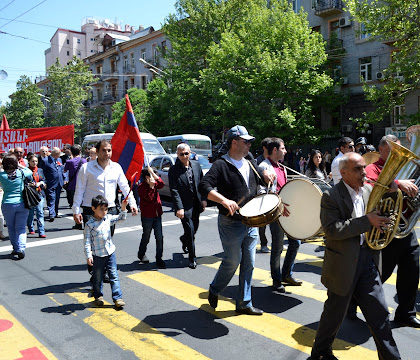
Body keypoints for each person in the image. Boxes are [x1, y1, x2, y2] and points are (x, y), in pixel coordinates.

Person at [311, 152, 401, 360]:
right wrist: (367, 221)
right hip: (342, 264)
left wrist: (391, 197)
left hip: (367, 260)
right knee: (334, 315)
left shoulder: (370, 190)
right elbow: (332, 230)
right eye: (357, 169)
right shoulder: (331, 196)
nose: (363, 172)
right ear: (343, 173)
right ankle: (320, 352)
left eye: (363, 167)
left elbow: (379, 215)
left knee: (379, 314)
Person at [199, 125, 274, 315]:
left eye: (250, 142)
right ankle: (215, 289)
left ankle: (244, 302)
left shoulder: (249, 160)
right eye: (246, 141)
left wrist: (265, 176)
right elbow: (204, 185)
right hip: (231, 222)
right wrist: (224, 200)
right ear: (234, 142)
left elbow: (259, 180)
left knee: (249, 263)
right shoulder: (221, 164)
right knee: (233, 261)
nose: (250, 145)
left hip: (251, 221)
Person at [364, 134, 420, 328]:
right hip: (385, 229)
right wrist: (397, 184)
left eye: (400, 150)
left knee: (412, 270)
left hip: (405, 228)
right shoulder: (371, 168)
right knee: (381, 274)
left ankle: (406, 313)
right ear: (381, 150)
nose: (399, 155)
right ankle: (352, 302)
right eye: (393, 151)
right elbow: (369, 187)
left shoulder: (404, 169)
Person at [258, 138, 302, 292]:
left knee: (295, 243)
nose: (285, 151)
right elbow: (264, 191)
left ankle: (286, 274)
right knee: (277, 247)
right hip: (276, 212)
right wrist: (279, 204)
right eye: (283, 148)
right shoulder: (265, 166)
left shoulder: (281, 166)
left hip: (287, 211)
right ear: (275, 150)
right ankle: (277, 279)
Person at [84, 195, 127, 308]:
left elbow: (120, 218)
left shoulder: (108, 218)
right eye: (101, 209)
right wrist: (89, 256)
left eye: (106, 209)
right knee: (98, 277)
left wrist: (123, 208)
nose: (104, 211)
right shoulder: (89, 225)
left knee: (114, 275)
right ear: (93, 208)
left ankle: (118, 298)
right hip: (97, 255)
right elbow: (87, 242)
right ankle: (98, 296)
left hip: (110, 253)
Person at [169, 143, 207, 269]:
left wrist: (204, 199)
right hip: (184, 206)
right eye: (182, 154)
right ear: (177, 155)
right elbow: (174, 190)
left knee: (194, 229)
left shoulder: (196, 165)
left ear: (190, 153)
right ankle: (192, 258)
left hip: (196, 204)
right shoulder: (174, 170)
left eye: (186, 153)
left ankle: (184, 239)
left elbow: (202, 183)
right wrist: (179, 208)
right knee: (190, 231)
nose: (184, 156)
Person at [0, 154, 33, 260]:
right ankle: (21, 248)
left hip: (7, 203)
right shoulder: (21, 173)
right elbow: (30, 171)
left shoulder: (2, 175)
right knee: (21, 228)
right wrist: (20, 165)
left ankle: (15, 248)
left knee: (11, 227)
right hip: (22, 203)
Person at [137, 167, 166, 269]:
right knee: (146, 236)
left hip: (157, 215)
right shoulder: (141, 186)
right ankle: (141, 254)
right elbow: (148, 198)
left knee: (159, 237)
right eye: (151, 175)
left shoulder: (155, 183)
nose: (153, 178)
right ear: (146, 178)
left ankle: (159, 258)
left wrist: (154, 175)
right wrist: (151, 187)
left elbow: (161, 184)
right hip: (147, 216)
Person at [64, 145, 87, 229]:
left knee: (75, 205)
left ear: (71, 152)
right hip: (83, 185)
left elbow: (65, 170)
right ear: (80, 151)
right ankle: (85, 221)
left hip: (73, 186)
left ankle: (78, 223)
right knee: (83, 205)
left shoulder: (70, 162)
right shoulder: (84, 161)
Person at [40, 147, 65, 221]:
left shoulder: (59, 160)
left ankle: (55, 212)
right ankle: (51, 214)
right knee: (51, 198)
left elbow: (61, 169)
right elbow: (42, 172)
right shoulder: (45, 160)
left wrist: (64, 179)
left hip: (59, 182)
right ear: (55, 154)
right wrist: (44, 182)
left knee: (57, 198)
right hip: (50, 183)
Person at [256, 137, 271, 253]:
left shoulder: (274, 162)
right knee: (263, 223)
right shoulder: (259, 162)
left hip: (273, 195)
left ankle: (276, 241)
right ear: (264, 148)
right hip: (262, 195)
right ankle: (263, 243)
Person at [26, 155, 46, 238]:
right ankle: (31, 228)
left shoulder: (40, 170)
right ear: (29, 162)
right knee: (30, 213)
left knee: (40, 212)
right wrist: (31, 184)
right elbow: (24, 182)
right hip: (30, 195)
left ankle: (41, 231)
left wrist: (41, 183)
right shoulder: (26, 171)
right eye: (33, 161)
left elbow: (43, 179)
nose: (34, 163)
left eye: (36, 161)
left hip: (39, 193)